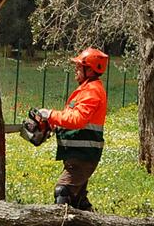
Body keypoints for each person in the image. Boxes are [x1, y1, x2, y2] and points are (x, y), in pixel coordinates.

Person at [35, 47, 109, 212]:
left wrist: (50, 114)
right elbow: (71, 116)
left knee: (63, 192)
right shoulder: (85, 90)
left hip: (83, 155)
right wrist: (53, 124)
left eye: (79, 67)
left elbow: (78, 120)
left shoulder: (92, 92)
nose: (76, 70)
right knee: (78, 201)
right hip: (78, 155)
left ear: (90, 70)